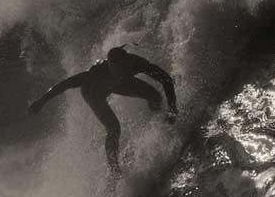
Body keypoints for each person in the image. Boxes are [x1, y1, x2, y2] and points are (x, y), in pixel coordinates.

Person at [27, 46, 178, 175]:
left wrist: (172, 108)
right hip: (93, 92)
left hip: (116, 85)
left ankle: (161, 122)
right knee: (114, 128)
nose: (121, 72)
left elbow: (165, 79)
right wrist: (42, 100)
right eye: (117, 70)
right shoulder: (95, 73)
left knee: (155, 96)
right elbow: (64, 84)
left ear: (127, 63)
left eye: (123, 69)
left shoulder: (135, 63)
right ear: (110, 66)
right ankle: (113, 169)